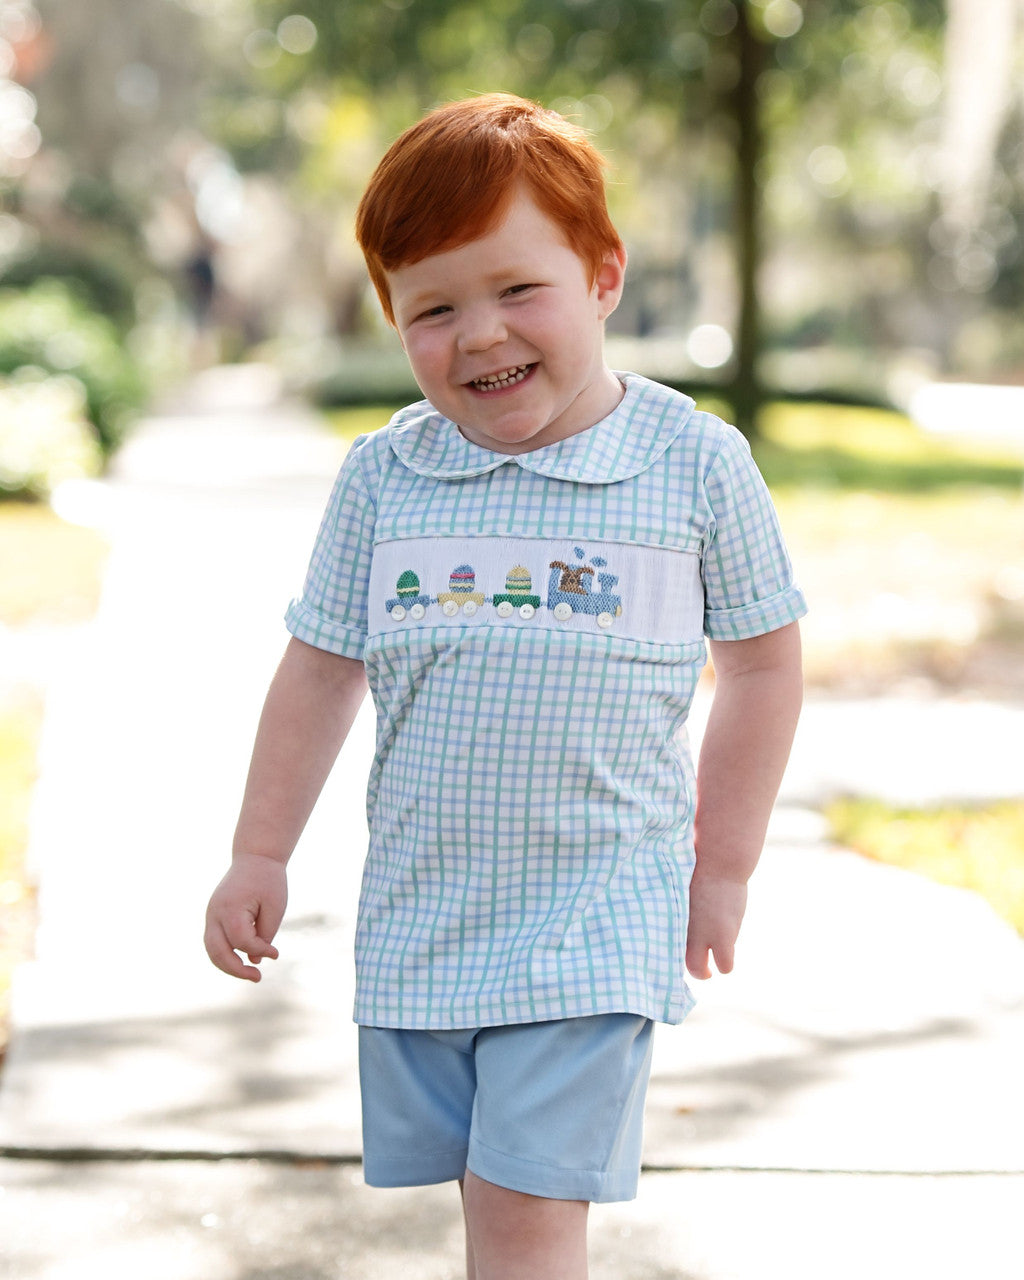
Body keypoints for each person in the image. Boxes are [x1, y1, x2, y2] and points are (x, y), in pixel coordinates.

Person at [205, 93, 806, 1280]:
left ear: (602, 276)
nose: (478, 336)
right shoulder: (387, 477)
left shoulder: (689, 463)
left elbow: (762, 660)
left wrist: (721, 860)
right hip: (428, 914)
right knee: (482, 1196)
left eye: (516, 291)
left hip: (597, 912)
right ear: (392, 317)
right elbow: (322, 665)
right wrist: (258, 849)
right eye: (433, 308)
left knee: (526, 1208)